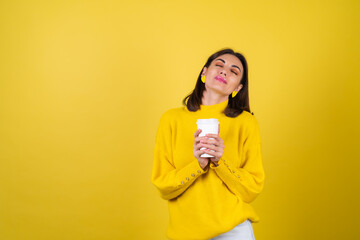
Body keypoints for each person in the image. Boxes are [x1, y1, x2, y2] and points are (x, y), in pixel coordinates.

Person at [151, 48, 265, 240]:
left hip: (233, 231)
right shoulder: (171, 119)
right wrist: (199, 165)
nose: (224, 71)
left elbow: (252, 189)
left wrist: (220, 162)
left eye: (234, 71)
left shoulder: (246, 122)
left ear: (238, 88)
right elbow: (164, 186)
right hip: (184, 233)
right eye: (219, 65)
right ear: (204, 73)